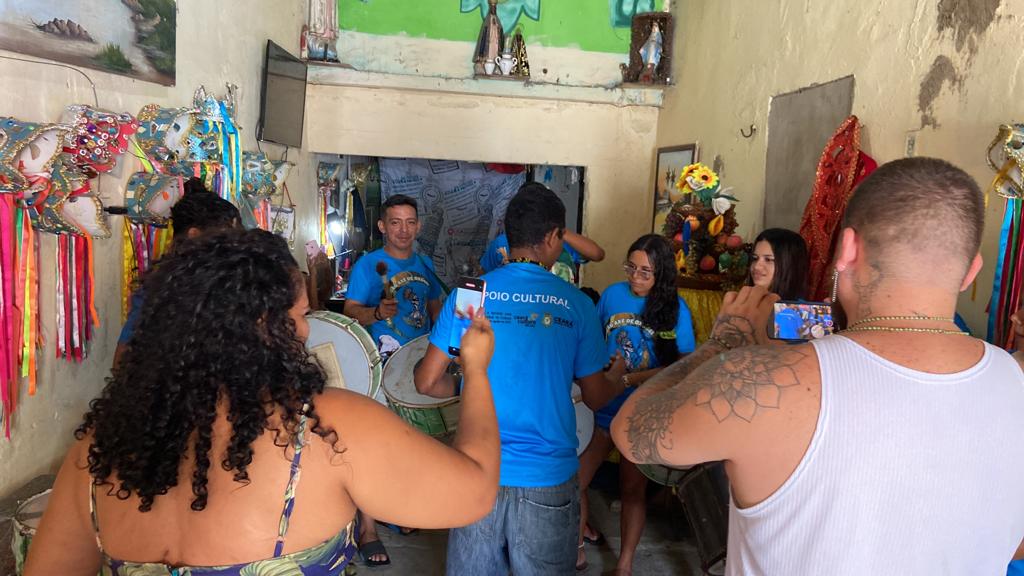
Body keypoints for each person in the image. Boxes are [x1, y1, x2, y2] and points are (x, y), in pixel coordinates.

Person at [612, 158, 1024, 575]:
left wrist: (723, 343)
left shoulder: (769, 380)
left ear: (847, 249)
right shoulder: (1016, 380)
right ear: (972, 271)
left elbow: (633, 434)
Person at [25, 229, 501, 576]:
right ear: (264, 326)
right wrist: (477, 371)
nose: (307, 329)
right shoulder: (324, 426)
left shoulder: (100, 447)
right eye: (301, 314)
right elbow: (474, 492)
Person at [415, 182, 626, 575]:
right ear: (552, 237)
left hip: (475, 471)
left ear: (508, 234)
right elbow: (597, 397)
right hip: (547, 476)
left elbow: (426, 382)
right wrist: (617, 377)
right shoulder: (577, 303)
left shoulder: (471, 296)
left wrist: (473, 380)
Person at [575, 234, 696, 573]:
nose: (635, 277)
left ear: (661, 273)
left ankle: (624, 564)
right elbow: (593, 340)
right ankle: (577, 546)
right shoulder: (613, 295)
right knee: (576, 482)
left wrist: (629, 380)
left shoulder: (675, 309)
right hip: (605, 406)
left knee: (631, 490)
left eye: (645, 272)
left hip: (641, 411)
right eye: (631, 268)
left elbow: (682, 365)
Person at [342, 193, 445, 565]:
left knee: (411, 442)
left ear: (418, 225)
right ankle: (367, 528)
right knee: (373, 445)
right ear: (383, 226)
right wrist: (376, 312)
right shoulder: (368, 265)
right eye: (396, 222)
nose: (404, 230)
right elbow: (350, 311)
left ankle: (397, 507)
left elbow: (435, 309)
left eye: (410, 222)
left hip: (416, 368)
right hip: (380, 366)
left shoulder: (425, 264)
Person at [114, 178, 240, 368]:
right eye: (224, 240)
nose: (232, 249)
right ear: (194, 235)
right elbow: (122, 361)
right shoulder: (160, 290)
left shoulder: (227, 284)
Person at [479, 223, 605, 285]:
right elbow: (482, 279)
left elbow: (597, 254)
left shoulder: (559, 242)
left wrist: (560, 231)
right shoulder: (502, 242)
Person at [747, 227, 809, 301]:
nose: (756, 267)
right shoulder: (743, 302)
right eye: (755, 258)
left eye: (768, 259)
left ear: (790, 265)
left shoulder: (797, 308)